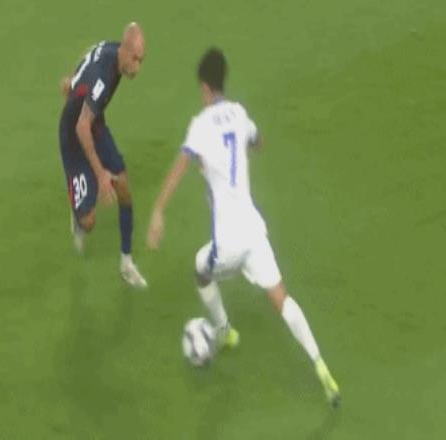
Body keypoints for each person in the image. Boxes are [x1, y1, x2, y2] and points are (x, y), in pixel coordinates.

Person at [146, 48, 341, 406]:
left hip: (228, 243)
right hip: (254, 232)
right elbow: (258, 141)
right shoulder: (238, 112)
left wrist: (158, 210)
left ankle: (223, 331)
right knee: (282, 299)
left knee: (200, 271)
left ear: (204, 87)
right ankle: (320, 365)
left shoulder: (201, 124)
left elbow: (180, 166)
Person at [59, 22, 147, 288]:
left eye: (142, 60)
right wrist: (99, 175)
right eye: (136, 59)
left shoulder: (112, 51)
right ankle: (78, 216)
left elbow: (89, 54)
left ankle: (126, 263)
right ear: (126, 51)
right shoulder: (102, 78)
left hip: (94, 126)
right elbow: (80, 127)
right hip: (73, 136)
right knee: (89, 222)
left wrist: (73, 81)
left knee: (124, 187)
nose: (138, 68)